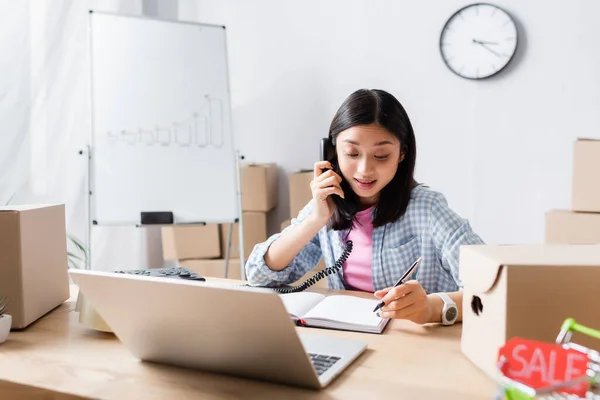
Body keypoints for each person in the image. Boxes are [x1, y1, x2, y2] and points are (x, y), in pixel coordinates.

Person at [245, 88, 485, 326]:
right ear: (332, 152)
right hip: (349, 336)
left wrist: (432, 308)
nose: (364, 170)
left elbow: (490, 287)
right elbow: (258, 275)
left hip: (413, 343)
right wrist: (314, 221)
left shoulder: (427, 209)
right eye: (351, 153)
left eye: (381, 156)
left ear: (402, 153)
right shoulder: (327, 204)